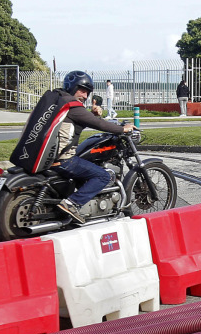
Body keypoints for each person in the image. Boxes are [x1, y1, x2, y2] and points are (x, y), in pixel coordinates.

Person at [13, 71, 133, 225]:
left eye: (87, 93)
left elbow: (77, 123)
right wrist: (123, 129)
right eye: (81, 90)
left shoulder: (58, 100)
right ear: (72, 87)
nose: (84, 95)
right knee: (103, 176)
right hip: (63, 161)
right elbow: (100, 125)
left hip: (41, 156)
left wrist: (92, 115)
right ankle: (72, 204)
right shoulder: (73, 106)